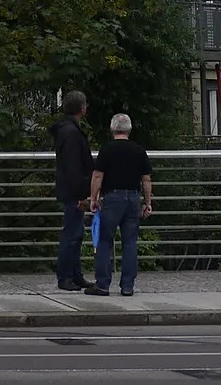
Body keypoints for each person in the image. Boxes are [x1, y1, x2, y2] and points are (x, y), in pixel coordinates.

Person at [86, 112, 153, 297]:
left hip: (112, 199)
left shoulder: (107, 149)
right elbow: (146, 179)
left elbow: (98, 176)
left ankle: (102, 284)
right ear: (129, 129)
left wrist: (93, 198)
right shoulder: (139, 150)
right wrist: (147, 202)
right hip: (133, 198)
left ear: (112, 129)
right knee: (130, 242)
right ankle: (127, 286)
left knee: (105, 241)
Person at [50, 90, 91, 292]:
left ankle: (74, 274)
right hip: (74, 191)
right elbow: (74, 166)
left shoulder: (66, 130)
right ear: (81, 108)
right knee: (72, 234)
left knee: (76, 233)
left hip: (71, 189)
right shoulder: (72, 133)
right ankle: (66, 276)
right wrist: (82, 191)